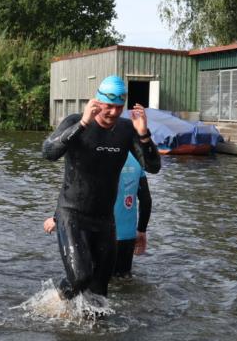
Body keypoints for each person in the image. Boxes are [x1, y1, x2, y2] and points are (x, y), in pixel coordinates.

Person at [42, 75, 161, 301]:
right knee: (80, 277)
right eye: (108, 107)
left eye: (119, 107)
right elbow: (48, 152)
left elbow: (153, 166)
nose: (113, 113)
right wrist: (83, 124)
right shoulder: (75, 122)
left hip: (105, 220)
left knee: (100, 292)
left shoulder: (127, 130)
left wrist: (144, 134)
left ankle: (94, 332)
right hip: (72, 215)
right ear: (96, 102)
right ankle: (57, 301)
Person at [43, 152, 152, 278]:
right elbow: (146, 200)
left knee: (93, 284)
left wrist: (57, 218)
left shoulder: (97, 155)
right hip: (128, 236)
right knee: (123, 280)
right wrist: (141, 230)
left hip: (100, 233)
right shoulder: (136, 159)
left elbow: (78, 190)